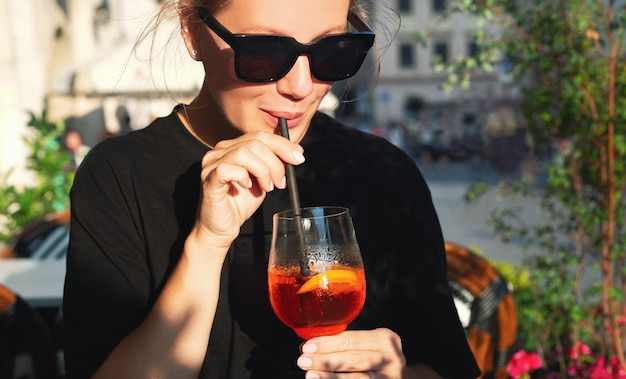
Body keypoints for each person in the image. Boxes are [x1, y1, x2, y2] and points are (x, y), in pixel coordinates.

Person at [62, 1, 481, 378]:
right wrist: (207, 243)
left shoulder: (384, 173)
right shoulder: (120, 176)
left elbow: (445, 366)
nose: (300, 86)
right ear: (193, 30)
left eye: (331, 52)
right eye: (263, 52)